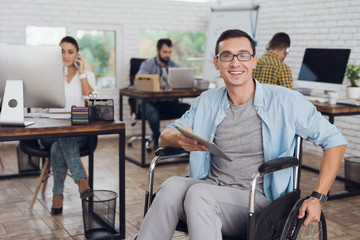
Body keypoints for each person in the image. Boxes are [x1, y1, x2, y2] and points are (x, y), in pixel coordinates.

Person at [135, 29, 347, 240]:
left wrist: (318, 197)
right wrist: (178, 139)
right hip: (210, 186)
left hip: (260, 200)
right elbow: (165, 135)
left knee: (199, 195)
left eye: (243, 55)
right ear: (217, 63)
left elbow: (334, 141)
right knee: (171, 185)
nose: (235, 63)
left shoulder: (286, 101)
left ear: (254, 61)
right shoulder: (206, 101)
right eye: (226, 56)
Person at [40, 36, 96, 215]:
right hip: (49, 132)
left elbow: (92, 100)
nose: (66, 55)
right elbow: (41, 106)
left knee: (60, 144)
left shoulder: (87, 75)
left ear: (77, 55)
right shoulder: (49, 74)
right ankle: (81, 181)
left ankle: (57, 195)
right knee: (60, 138)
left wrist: (82, 74)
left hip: (77, 134)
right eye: (62, 51)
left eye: (70, 52)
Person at [137, 38, 190, 149]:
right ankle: (159, 140)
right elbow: (139, 81)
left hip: (167, 102)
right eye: (165, 52)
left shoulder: (174, 65)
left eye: (169, 52)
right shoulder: (147, 64)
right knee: (153, 114)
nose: (167, 55)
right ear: (158, 51)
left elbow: (180, 81)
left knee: (188, 109)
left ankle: (184, 141)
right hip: (149, 102)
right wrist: (157, 84)